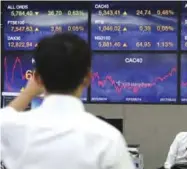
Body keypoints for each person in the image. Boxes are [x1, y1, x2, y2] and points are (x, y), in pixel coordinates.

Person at [0, 33, 135, 169]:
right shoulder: (108, 139)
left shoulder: (14, 128)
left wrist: (29, 92)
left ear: (37, 79)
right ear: (88, 78)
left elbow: (4, 116)